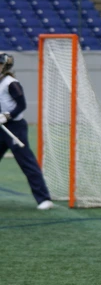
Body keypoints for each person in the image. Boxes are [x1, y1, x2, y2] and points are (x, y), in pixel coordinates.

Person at [0, 53, 53, 210]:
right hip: (1, 128)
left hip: (15, 128)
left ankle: (44, 198)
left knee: (26, 161)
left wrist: (8, 116)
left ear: (5, 66)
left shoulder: (11, 84)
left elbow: (21, 105)